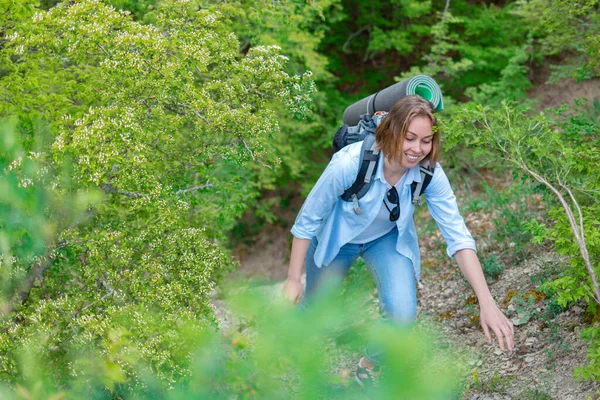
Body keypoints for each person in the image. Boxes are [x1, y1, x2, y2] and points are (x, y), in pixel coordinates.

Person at [282, 95, 515, 387]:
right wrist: (293, 279)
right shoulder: (349, 163)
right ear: (391, 132)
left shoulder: (430, 174)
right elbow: (307, 221)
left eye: (426, 140)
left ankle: (367, 366)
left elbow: (457, 236)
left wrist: (487, 301)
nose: (418, 149)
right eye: (410, 138)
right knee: (315, 304)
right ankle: (284, 343)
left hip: (385, 239)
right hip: (338, 238)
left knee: (402, 316)